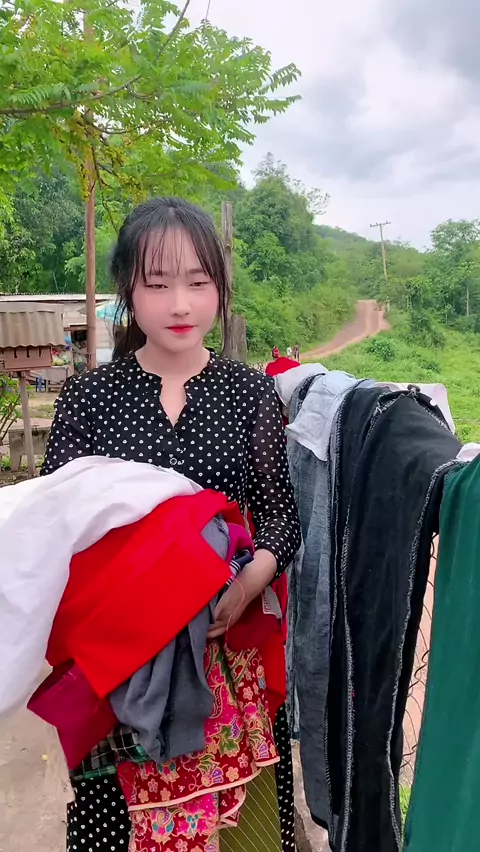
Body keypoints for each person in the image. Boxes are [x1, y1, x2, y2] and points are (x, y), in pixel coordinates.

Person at [41, 196, 301, 852]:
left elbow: (280, 515)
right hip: (123, 660)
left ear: (220, 287)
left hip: (227, 657)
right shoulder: (90, 398)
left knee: (247, 836)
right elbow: (56, 528)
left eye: (197, 282)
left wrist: (251, 579)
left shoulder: (248, 392)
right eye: (157, 285)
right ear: (128, 290)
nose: (180, 304)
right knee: (113, 825)